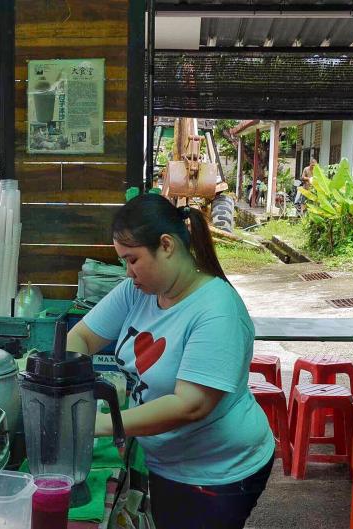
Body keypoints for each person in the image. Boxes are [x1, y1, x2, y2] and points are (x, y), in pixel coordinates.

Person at [66, 194, 274, 529]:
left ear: (166, 245)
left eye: (132, 260)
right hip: (162, 459)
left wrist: (101, 424)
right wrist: (69, 385)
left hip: (219, 470)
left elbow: (190, 405)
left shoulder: (217, 311)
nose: (127, 271)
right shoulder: (138, 291)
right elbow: (81, 338)